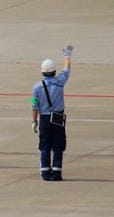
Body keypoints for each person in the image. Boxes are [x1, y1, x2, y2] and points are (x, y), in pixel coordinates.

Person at [31, 45, 73, 181]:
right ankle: (56, 173)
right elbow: (67, 69)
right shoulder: (60, 82)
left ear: (42, 72)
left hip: (44, 118)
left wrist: (34, 121)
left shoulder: (36, 87)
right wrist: (67, 55)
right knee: (58, 145)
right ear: (54, 71)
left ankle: (45, 172)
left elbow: (34, 106)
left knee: (45, 145)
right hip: (58, 117)